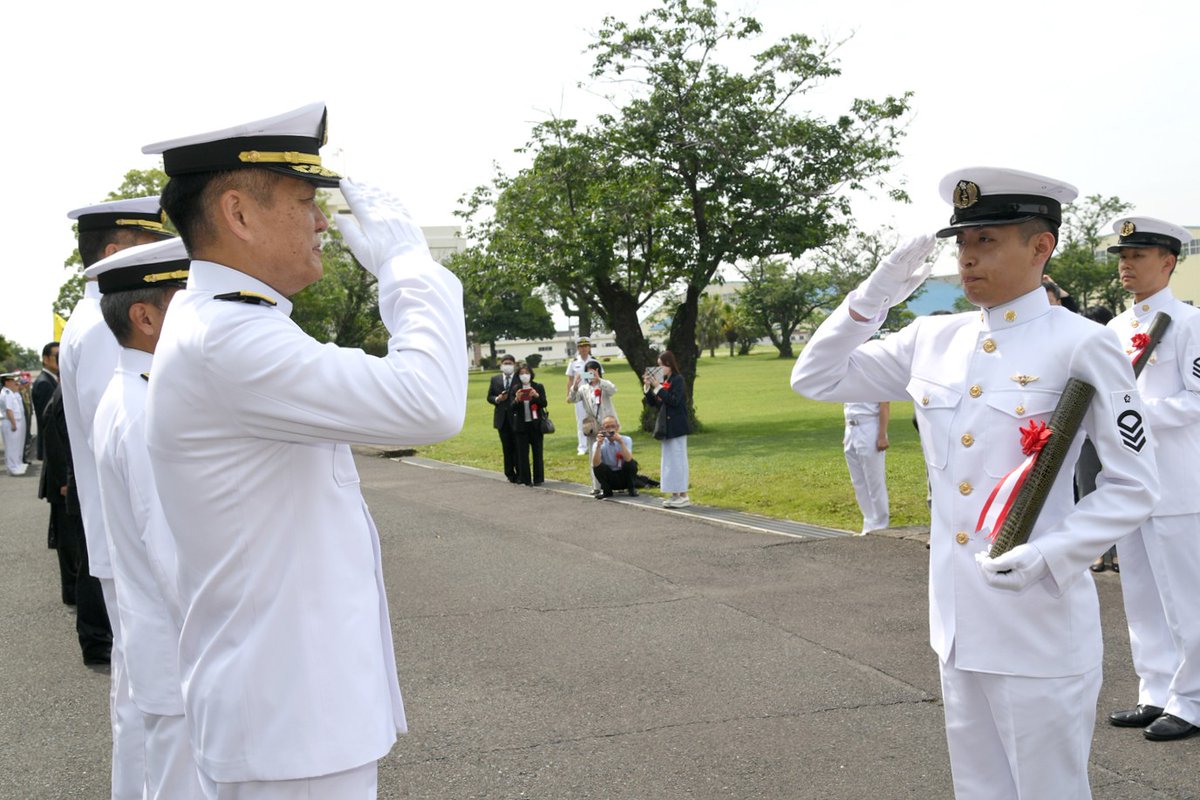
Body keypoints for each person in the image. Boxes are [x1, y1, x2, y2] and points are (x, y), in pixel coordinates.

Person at [791, 167, 1158, 799]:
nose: (966, 257)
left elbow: (1134, 485)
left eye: (986, 240)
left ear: (1040, 246)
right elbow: (816, 377)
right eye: (962, 242)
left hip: (1039, 623)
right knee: (979, 789)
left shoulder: (1083, 343)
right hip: (959, 626)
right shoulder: (933, 338)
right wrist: (875, 293)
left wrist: (1052, 553)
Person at [141, 102, 467, 797]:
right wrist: (408, 264)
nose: (322, 221)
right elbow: (429, 402)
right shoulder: (230, 340)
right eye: (302, 200)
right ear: (238, 213)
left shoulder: (233, 326)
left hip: (291, 714)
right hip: (287, 724)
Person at [60, 195, 174, 800]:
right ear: (114, 254)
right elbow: (131, 436)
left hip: (118, 532)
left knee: (138, 693)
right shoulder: (106, 330)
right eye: (150, 249)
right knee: (153, 698)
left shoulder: (84, 321)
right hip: (133, 534)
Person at [89, 237, 204, 798]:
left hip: (163, 646)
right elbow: (171, 552)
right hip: (182, 653)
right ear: (146, 318)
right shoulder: (144, 409)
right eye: (186, 299)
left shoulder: (132, 392)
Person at [1103, 216, 1200, 742]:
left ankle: (1193, 699)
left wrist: (1136, 413)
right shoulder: (1114, 329)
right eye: (1123, 255)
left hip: (1177, 480)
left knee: (1186, 599)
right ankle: (1156, 690)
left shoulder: (1189, 323)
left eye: (1138, 255)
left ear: (1168, 262)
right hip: (1129, 479)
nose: (1126, 264)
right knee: (1140, 596)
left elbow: (1196, 400)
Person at [38, 382, 113, 661]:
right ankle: (95, 639)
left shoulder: (65, 390)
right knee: (89, 567)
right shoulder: (64, 394)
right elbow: (59, 445)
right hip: (78, 487)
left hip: (79, 486)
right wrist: (63, 481)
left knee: (88, 563)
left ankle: (97, 635)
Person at [643, 351, 690, 508]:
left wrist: (658, 387)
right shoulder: (665, 381)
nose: (659, 368)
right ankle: (674, 494)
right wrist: (648, 387)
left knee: (678, 460)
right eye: (658, 365)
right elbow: (655, 403)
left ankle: (683, 495)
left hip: (677, 426)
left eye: (661, 365)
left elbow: (674, 401)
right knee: (669, 462)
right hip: (666, 427)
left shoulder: (678, 380)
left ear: (669, 364)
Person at [569, 359, 618, 496]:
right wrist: (575, 386)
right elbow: (572, 399)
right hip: (593, 426)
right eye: (588, 373)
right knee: (594, 455)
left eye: (593, 372)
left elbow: (613, 390)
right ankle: (596, 485)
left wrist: (599, 380)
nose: (591, 375)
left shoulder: (604, 384)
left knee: (610, 453)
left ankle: (614, 483)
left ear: (598, 372)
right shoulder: (584, 388)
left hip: (608, 424)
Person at [842, 401, 890, 534]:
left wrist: (882, 435)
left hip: (869, 426)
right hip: (851, 427)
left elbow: (884, 404)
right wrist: (846, 430)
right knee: (858, 482)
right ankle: (868, 523)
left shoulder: (876, 385)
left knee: (874, 481)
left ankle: (880, 525)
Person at [509, 362, 548, 486]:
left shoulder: (538, 386)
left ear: (531, 374)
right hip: (521, 426)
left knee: (537, 452)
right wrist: (517, 399)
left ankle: (538, 478)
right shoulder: (515, 388)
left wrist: (536, 396)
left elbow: (544, 403)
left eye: (526, 373)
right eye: (521, 373)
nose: (524, 375)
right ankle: (526, 479)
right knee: (522, 454)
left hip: (536, 425)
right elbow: (511, 408)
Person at [487, 354, 520, 483]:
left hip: (516, 418)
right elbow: (489, 397)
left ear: (514, 365)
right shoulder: (495, 379)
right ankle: (509, 473)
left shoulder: (518, 378)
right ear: (501, 365)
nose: (507, 366)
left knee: (517, 447)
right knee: (506, 448)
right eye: (505, 363)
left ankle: (520, 472)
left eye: (510, 363)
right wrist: (498, 399)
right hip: (502, 419)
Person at [591, 415, 639, 498]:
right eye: (607, 427)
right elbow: (595, 464)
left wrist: (621, 442)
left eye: (613, 426)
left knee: (632, 464)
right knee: (597, 467)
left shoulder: (626, 440)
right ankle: (607, 491)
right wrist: (598, 445)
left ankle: (631, 489)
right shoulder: (598, 444)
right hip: (610, 477)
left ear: (617, 427)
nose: (610, 430)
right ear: (602, 429)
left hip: (623, 476)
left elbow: (629, 459)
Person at [565, 336, 594, 454]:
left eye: (586, 346)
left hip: (593, 394)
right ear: (578, 348)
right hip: (579, 395)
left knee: (595, 419)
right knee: (581, 420)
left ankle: (595, 444)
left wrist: (583, 375)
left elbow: (599, 377)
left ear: (589, 347)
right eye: (581, 346)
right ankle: (582, 447)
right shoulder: (573, 362)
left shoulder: (594, 361)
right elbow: (570, 380)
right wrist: (568, 395)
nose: (583, 349)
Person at [31, 342, 59, 461]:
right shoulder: (44, 383)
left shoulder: (50, 380)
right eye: (57, 356)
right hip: (53, 447)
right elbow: (49, 421)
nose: (60, 359)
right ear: (46, 359)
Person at [1, 373, 27, 475]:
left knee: (16, 445)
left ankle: (16, 464)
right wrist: (13, 423)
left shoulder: (10, 392)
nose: (14, 383)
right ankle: (12, 467)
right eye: (12, 381)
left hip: (14, 421)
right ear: (7, 382)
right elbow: (9, 410)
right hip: (10, 422)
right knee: (11, 446)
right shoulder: (7, 393)